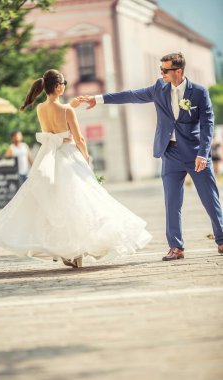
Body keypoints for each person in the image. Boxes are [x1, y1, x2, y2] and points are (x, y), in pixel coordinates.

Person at [0, 69, 151, 268]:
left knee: (56, 204)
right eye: (63, 84)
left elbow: (54, 116)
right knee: (79, 202)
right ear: (59, 87)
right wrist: (85, 159)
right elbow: (80, 139)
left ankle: (68, 253)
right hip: (68, 156)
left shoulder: (40, 108)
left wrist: (70, 106)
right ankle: (76, 253)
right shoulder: (68, 111)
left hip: (49, 158)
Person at [78, 52, 223, 260]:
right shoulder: (159, 88)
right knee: (172, 202)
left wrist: (203, 153)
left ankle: (221, 240)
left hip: (195, 154)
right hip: (170, 153)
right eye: (161, 69)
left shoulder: (199, 92)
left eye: (165, 70)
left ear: (178, 71)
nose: (161, 73)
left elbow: (208, 123)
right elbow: (131, 95)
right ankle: (176, 247)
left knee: (210, 199)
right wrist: (98, 99)